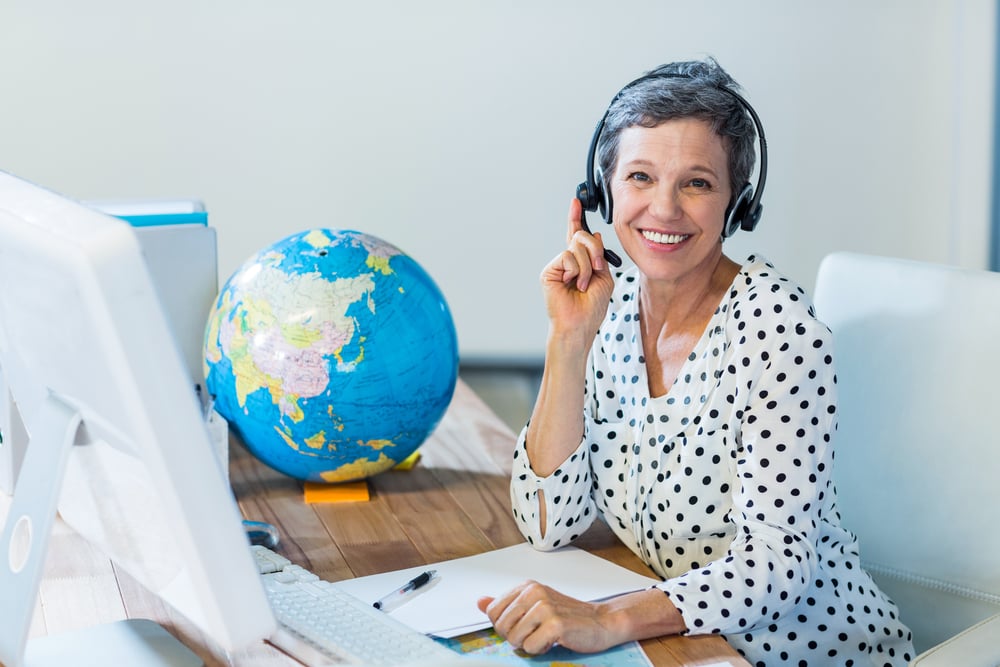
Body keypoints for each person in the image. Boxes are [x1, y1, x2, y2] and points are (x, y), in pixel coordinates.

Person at [476, 57, 915, 666]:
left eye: (697, 183)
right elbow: (549, 524)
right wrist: (568, 339)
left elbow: (777, 561)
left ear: (738, 203)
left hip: (796, 651)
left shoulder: (780, 333)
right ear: (601, 193)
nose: (663, 209)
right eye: (639, 177)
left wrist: (608, 619)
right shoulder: (608, 305)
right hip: (680, 642)